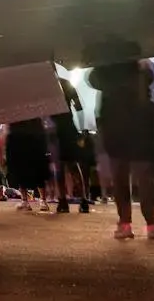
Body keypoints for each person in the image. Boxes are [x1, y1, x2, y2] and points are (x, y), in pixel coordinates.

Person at [90, 55, 154, 241]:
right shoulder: (143, 64)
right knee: (145, 174)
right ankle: (152, 225)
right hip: (141, 119)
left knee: (120, 175)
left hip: (114, 119)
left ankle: (125, 223)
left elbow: (92, 80)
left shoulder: (105, 64)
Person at [52, 82, 91, 213]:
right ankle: (83, 199)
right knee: (73, 165)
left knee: (59, 166)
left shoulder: (46, 86)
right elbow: (79, 107)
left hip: (54, 128)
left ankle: (63, 201)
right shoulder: (65, 84)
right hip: (69, 126)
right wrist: (82, 128)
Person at [5, 118, 49, 212]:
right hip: (34, 134)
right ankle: (43, 201)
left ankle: (25, 201)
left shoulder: (17, 111)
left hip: (20, 136)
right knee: (37, 169)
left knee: (21, 169)